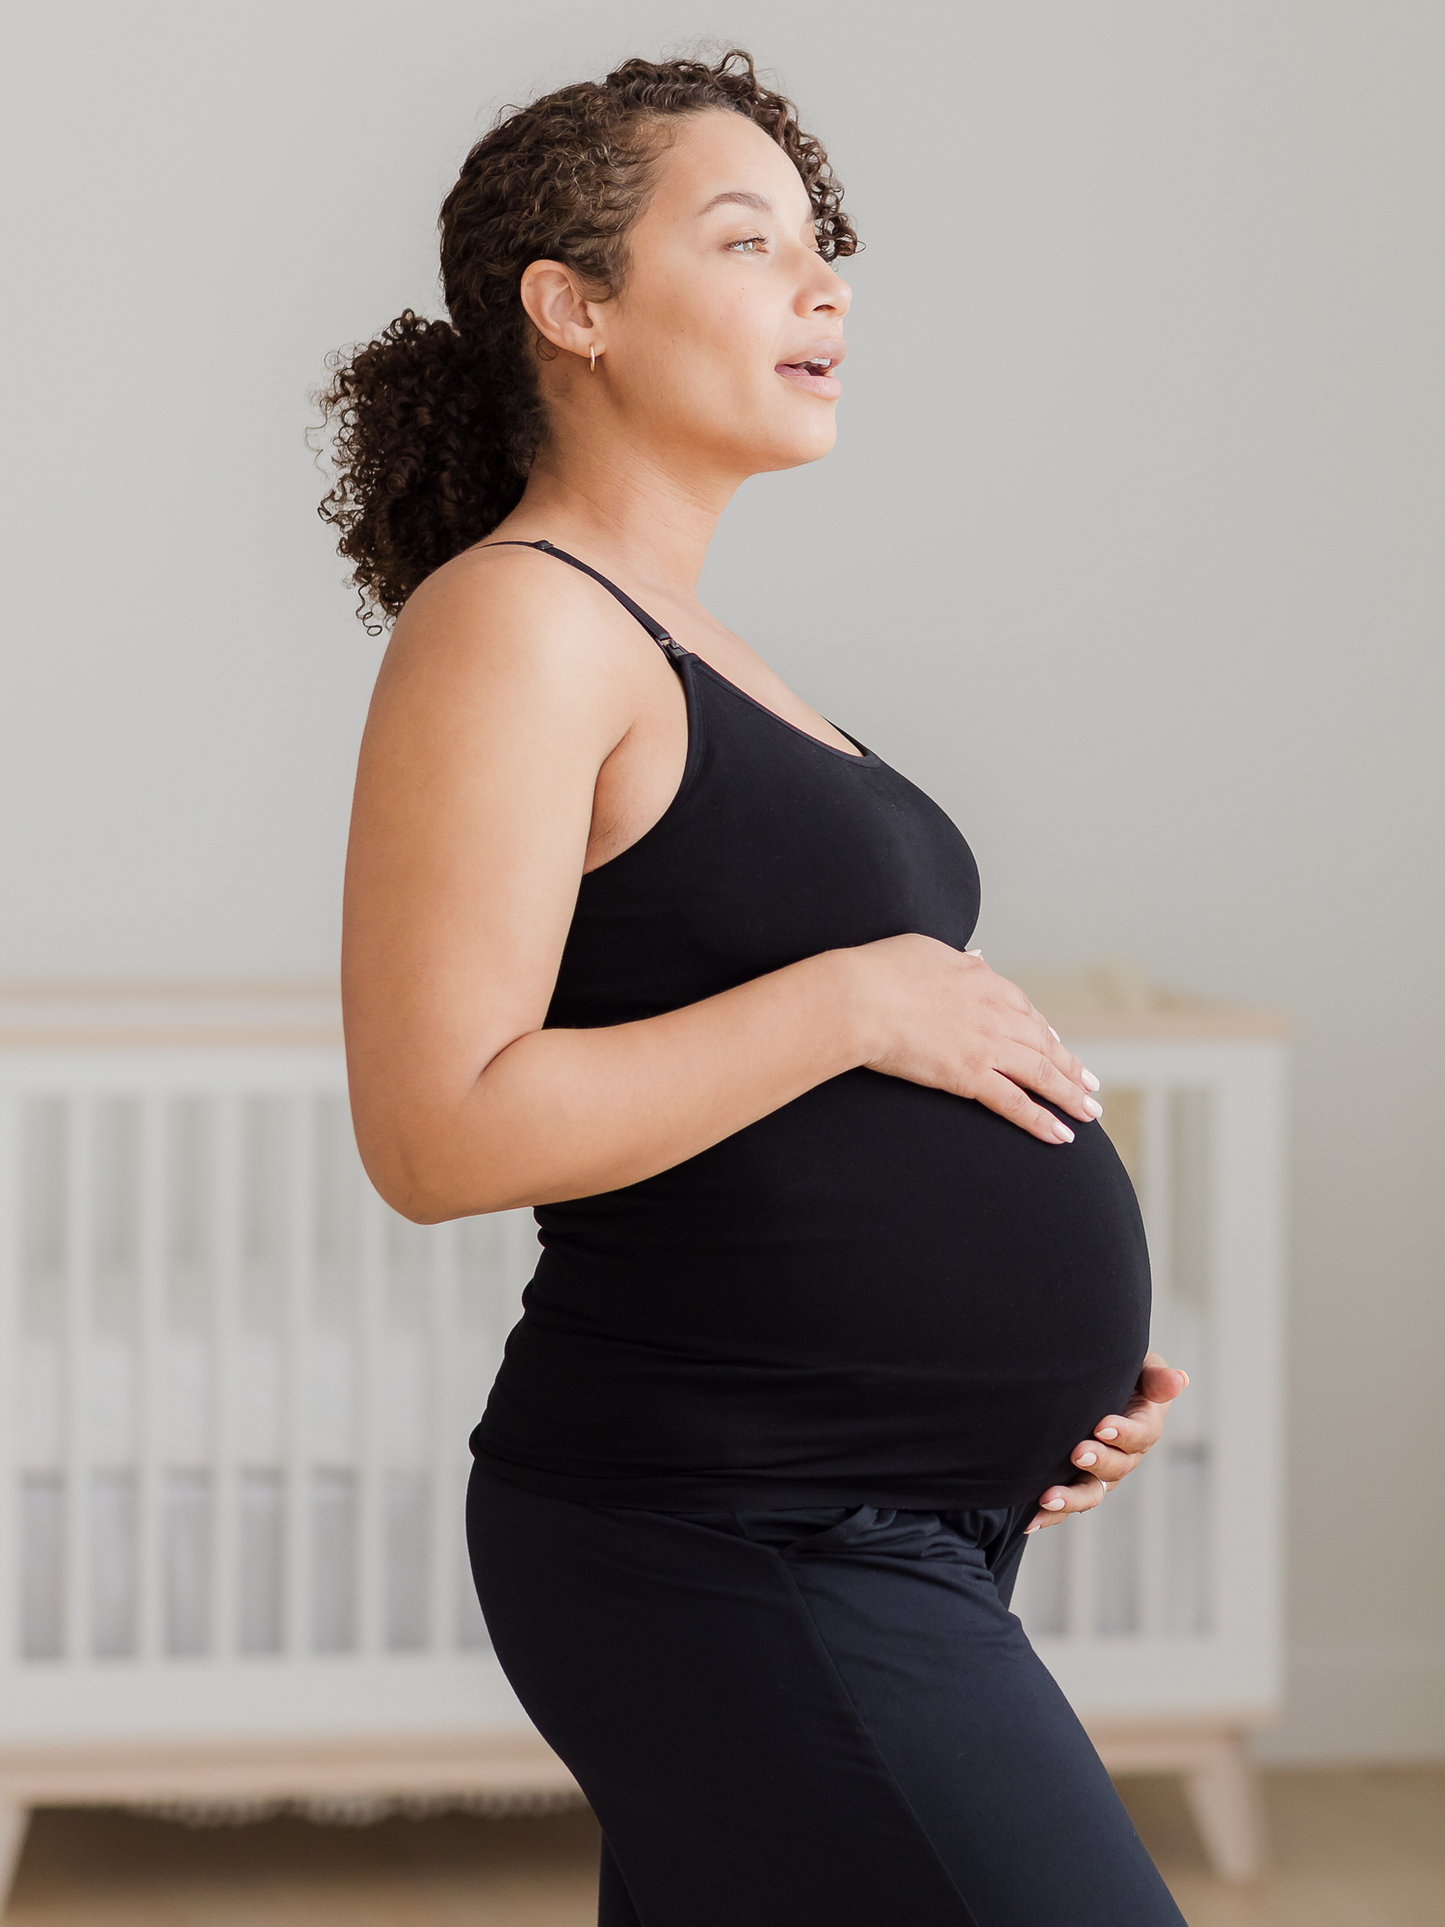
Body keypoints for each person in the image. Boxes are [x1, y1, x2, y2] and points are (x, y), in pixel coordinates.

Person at [327, 49, 1191, 1926]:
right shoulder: (516, 619)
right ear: (574, 308)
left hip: (879, 1513)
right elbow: (434, 1126)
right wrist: (856, 1002)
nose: (824, 287)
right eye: (748, 242)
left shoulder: (697, 643)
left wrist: (1024, 1390)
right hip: (732, 1519)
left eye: (822, 245)